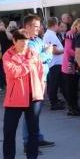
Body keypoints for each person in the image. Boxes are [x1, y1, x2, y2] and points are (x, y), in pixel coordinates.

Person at [0, 29, 44, 159]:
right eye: (21, 41)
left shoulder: (34, 53)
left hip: (33, 96)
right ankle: (8, 158)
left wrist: (40, 90)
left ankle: (32, 157)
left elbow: (40, 72)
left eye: (26, 40)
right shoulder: (8, 55)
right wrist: (29, 63)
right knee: (9, 129)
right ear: (14, 41)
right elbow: (13, 72)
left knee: (33, 129)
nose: (25, 43)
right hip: (15, 98)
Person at [22, 15, 55, 149]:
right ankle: (28, 142)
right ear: (27, 27)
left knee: (36, 112)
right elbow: (37, 60)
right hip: (33, 81)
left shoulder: (38, 39)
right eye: (36, 26)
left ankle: (36, 137)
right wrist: (47, 53)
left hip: (41, 79)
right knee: (31, 113)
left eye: (39, 26)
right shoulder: (26, 42)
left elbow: (44, 57)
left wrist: (46, 54)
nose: (39, 28)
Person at [41, 17, 66, 110]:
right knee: (53, 84)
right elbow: (54, 51)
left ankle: (55, 101)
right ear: (55, 25)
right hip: (54, 63)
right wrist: (65, 50)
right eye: (58, 24)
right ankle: (54, 103)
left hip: (55, 63)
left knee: (55, 83)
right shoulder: (50, 35)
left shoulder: (50, 34)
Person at [62, 18, 80, 116]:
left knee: (75, 88)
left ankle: (75, 107)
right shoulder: (70, 34)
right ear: (75, 26)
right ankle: (71, 108)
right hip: (69, 65)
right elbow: (68, 50)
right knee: (71, 88)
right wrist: (79, 55)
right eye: (79, 26)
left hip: (76, 65)